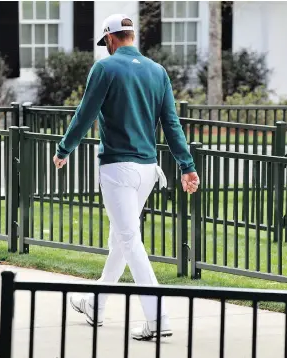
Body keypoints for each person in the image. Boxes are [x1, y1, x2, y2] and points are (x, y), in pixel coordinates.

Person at [52, 14, 200, 341]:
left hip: (117, 168)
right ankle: (95, 303)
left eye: (105, 42)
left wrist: (64, 149)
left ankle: (158, 318)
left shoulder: (105, 69)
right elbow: (171, 124)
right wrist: (186, 166)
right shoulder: (157, 72)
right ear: (131, 35)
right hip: (148, 169)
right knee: (120, 238)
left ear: (110, 38)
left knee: (130, 240)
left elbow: (85, 113)